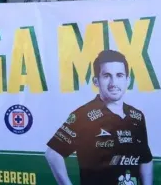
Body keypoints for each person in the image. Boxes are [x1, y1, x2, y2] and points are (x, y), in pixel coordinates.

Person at [45, 50, 153, 185]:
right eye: (107, 76)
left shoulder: (137, 116)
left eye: (119, 75)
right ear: (96, 81)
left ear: (127, 80)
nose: (113, 83)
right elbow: (53, 153)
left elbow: (145, 159)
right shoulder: (83, 115)